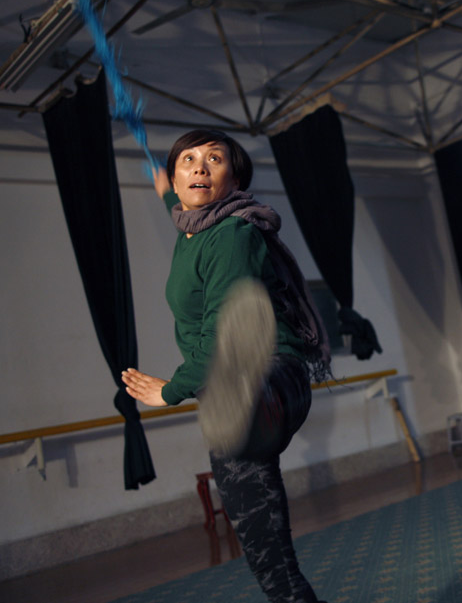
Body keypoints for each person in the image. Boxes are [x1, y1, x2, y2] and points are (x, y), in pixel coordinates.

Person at [120, 129, 331, 603]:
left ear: (234, 179)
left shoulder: (233, 233)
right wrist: (161, 182)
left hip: (274, 373)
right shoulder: (190, 225)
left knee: (236, 408)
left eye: (214, 159)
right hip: (237, 393)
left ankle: (250, 406)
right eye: (188, 161)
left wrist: (170, 391)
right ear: (175, 181)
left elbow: (218, 337)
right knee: (269, 560)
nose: (199, 167)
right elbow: (175, 203)